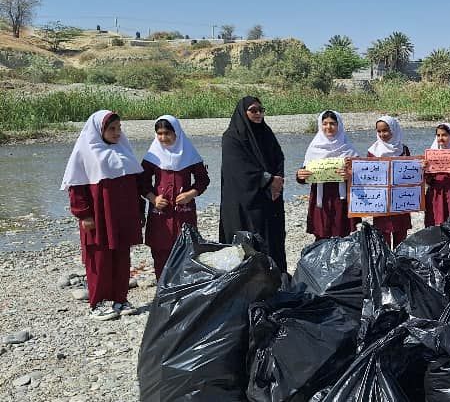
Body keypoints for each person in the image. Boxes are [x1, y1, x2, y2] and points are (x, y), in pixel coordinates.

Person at [62, 110, 144, 320]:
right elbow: (76, 186)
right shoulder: (85, 151)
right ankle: (98, 303)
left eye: (119, 128)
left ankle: (120, 298)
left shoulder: (124, 149)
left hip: (122, 215)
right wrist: (84, 215)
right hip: (98, 216)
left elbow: (134, 184)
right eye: (111, 129)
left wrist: (138, 211)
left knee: (122, 256)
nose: (117, 133)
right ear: (100, 130)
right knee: (99, 258)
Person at [219, 96, 287, 272]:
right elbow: (239, 168)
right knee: (245, 248)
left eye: (260, 110)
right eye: (253, 110)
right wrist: (268, 180)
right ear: (243, 112)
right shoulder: (232, 138)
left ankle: (275, 282)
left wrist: (278, 181)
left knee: (272, 243)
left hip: (269, 200)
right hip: (243, 203)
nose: (258, 114)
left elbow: (279, 158)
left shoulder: (266, 133)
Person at [140, 115, 209, 279]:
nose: (163, 138)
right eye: (160, 133)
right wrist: (153, 199)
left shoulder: (189, 154)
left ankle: (182, 289)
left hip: (184, 211)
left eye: (167, 133)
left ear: (177, 133)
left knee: (185, 248)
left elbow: (203, 180)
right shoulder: (152, 156)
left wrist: (190, 194)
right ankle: (162, 289)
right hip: (160, 213)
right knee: (160, 250)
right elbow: (141, 182)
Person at [296, 110, 360, 241]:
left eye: (332, 123)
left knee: (342, 234)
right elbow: (304, 174)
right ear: (320, 125)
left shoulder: (347, 148)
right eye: (325, 123)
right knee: (321, 234)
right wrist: (300, 175)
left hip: (341, 198)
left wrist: (350, 175)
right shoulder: (314, 148)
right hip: (321, 198)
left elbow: (361, 174)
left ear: (339, 125)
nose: (328, 127)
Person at [368, 115, 413, 247]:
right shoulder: (373, 152)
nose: (382, 134)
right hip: (381, 202)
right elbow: (368, 176)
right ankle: (386, 266)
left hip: (401, 200)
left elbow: (410, 173)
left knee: (401, 236)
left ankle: (399, 265)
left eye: (386, 130)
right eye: (379, 131)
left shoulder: (403, 150)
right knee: (382, 235)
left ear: (394, 130)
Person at [424, 123, 450, 226]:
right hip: (436, 195)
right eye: (438, 135)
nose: (441, 138)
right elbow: (428, 181)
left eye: (445, 135)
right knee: (435, 223)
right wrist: (425, 169)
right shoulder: (432, 154)